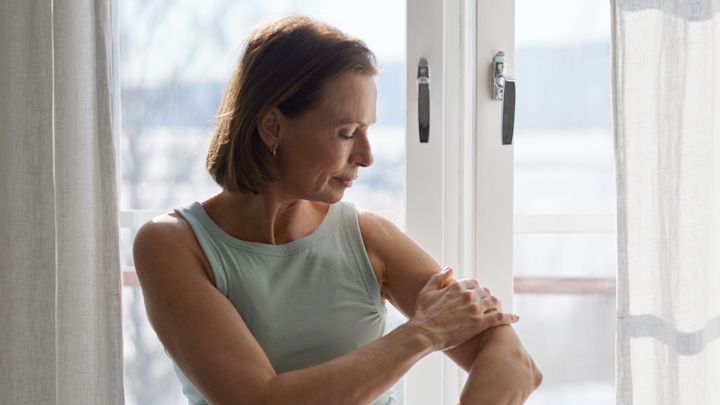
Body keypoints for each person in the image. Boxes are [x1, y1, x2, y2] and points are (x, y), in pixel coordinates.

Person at [133, 16, 542, 405]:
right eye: (346, 133)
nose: (366, 156)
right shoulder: (172, 246)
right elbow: (258, 400)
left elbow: (515, 362)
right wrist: (423, 333)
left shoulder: (368, 237)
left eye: (367, 131)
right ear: (272, 127)